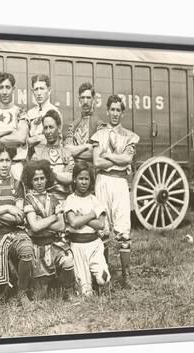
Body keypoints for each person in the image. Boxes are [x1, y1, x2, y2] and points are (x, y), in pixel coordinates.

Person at [91, 95, 140, 289]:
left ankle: (126, 277)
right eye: (112, 109)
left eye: (118, 110)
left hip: (120, 182)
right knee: (102, 229)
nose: (114, 113)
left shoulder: (130, 136)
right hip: (102, 180)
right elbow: (96, 162)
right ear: (107, 110)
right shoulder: (99, 135)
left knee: (122, 228)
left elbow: (127, 160)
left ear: (122, 112)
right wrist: (117, 158)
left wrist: (108, 155)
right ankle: (103, 277)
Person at [0, 142, 35, 310]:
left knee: (26, 249)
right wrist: (7, 208)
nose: (4, 164)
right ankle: (3, 288)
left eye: (7, 160)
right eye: (0, 160)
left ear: (12, 162)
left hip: (14, 232)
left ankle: (22, 292)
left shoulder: (18, 185)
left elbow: (18, 217)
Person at [21, 160, 75, 300]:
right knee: (41, 296)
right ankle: (44, 285)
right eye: (35, 179)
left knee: (68, 261)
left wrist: (42, 221)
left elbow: (62, 226)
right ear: (30, 181)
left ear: (47, 179)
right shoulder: (28, 200)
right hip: (37, 247)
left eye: (42, 178)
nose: (39, 182)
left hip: (53, 244)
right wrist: (53, 218)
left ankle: (67, 290)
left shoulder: (54, 199)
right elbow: (34, 227)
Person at [64, 161, 110, 296]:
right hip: (77, 245)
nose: (83, 182)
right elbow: (73, 222)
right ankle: (88, 284)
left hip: (94, 244)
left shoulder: (94, 200)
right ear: (74, 180)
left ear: (90, 181)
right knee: (85, 292)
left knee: (104, 278)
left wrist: (84, 217)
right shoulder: (71, 199)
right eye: (80, 178)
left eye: (86, 179)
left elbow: (101, 224)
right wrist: (92, 215)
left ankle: (99, 283)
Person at [30, 110, 74, 203]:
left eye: (51, 127)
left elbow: (70, 178)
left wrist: (50, 172)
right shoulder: (37, 153)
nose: (48, 131)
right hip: (44, 201)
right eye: (45, 128)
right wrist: (60, 176)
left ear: (58, 128)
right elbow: (34, 182)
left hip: (65, 200)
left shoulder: (66, 153)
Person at [64, 82, 104, 164]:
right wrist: (86, 146)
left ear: (93, 99)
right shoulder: (73, 125)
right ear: (79, 99)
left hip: (92, 171)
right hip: (75, 170)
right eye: (83, 98)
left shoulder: (99, 124)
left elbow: (99, 153)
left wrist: (75, 151)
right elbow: (67, 150)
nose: (85, 101)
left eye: (88, 98)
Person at [26, 74, 62, 148]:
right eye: (36, 89)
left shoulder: (55, 112)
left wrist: (33, 139)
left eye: (42, 89)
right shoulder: (30, 113)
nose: (39, 93)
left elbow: (54, 139)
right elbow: (25, 140)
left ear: (49, 91)